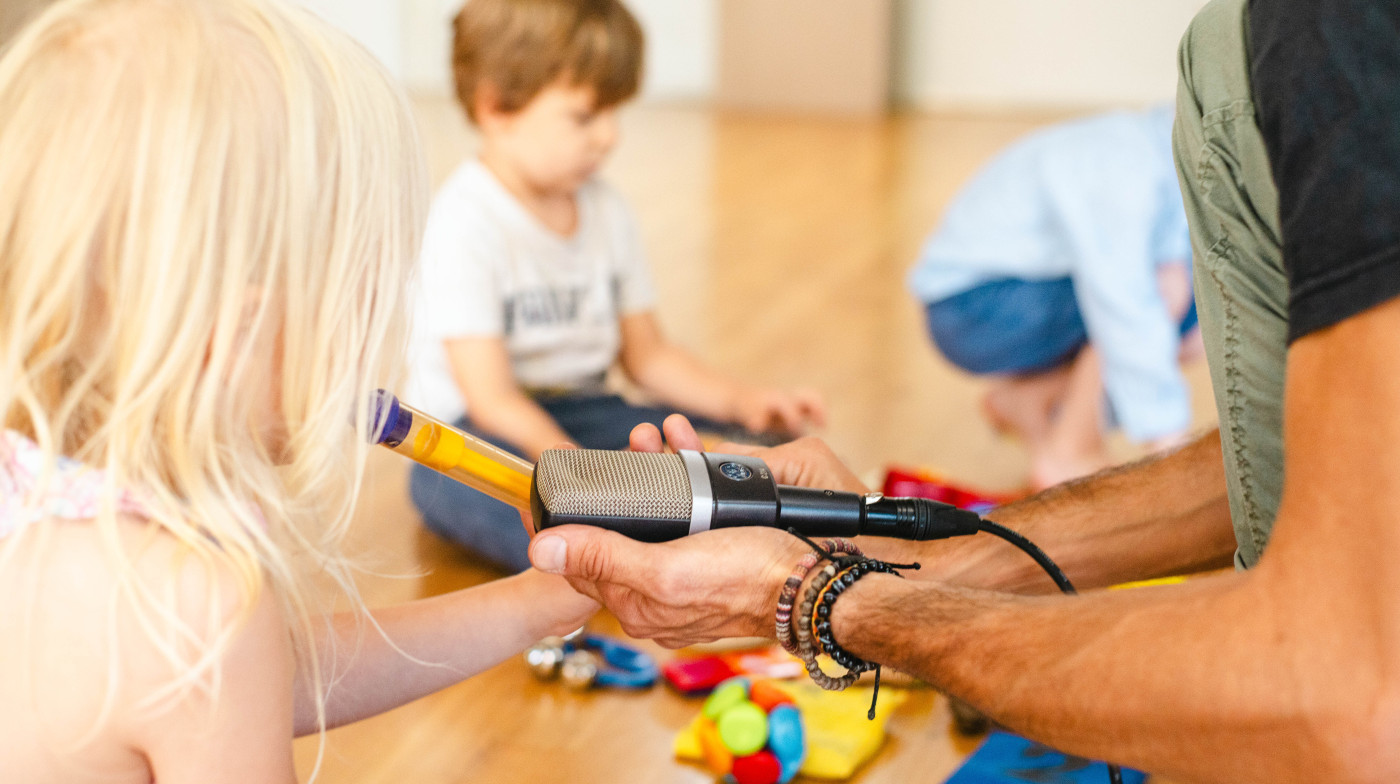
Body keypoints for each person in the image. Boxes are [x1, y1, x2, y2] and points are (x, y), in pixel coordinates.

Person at [524, 0, 1400, 780]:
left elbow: (1351, 696)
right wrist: (919, 567)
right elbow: (1329, 462)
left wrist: (820, 601)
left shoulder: (1341, 41)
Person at [0, 2, 596, 781]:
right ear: (237, 331)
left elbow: (265, 676)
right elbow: (236, 671)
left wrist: (536, 604)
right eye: (366, 295)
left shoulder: (50, 509)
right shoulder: (198, 610)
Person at [406, 0, 825, 573]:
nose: (608, 136)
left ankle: (658, 537)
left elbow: (649, 356)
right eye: (584, 117)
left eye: (613, 113)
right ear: (497, 107)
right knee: (461, 495)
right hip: (481, 436)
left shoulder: (607, 210)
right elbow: (492, 398)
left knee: (765, 461)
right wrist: (580, 476)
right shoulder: (464, 222)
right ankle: (637, 552)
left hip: (588, 409)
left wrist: (741, 403)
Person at [908, 104, 1199, 489]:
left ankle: (1029, 401)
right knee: (1158, 294)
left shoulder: (1162, 154)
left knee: (1191, 319)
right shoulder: (1128, 164)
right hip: (970, 305)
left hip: (985, 298)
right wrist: (1171, 451)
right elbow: (1125, 302)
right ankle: (1070, 451)